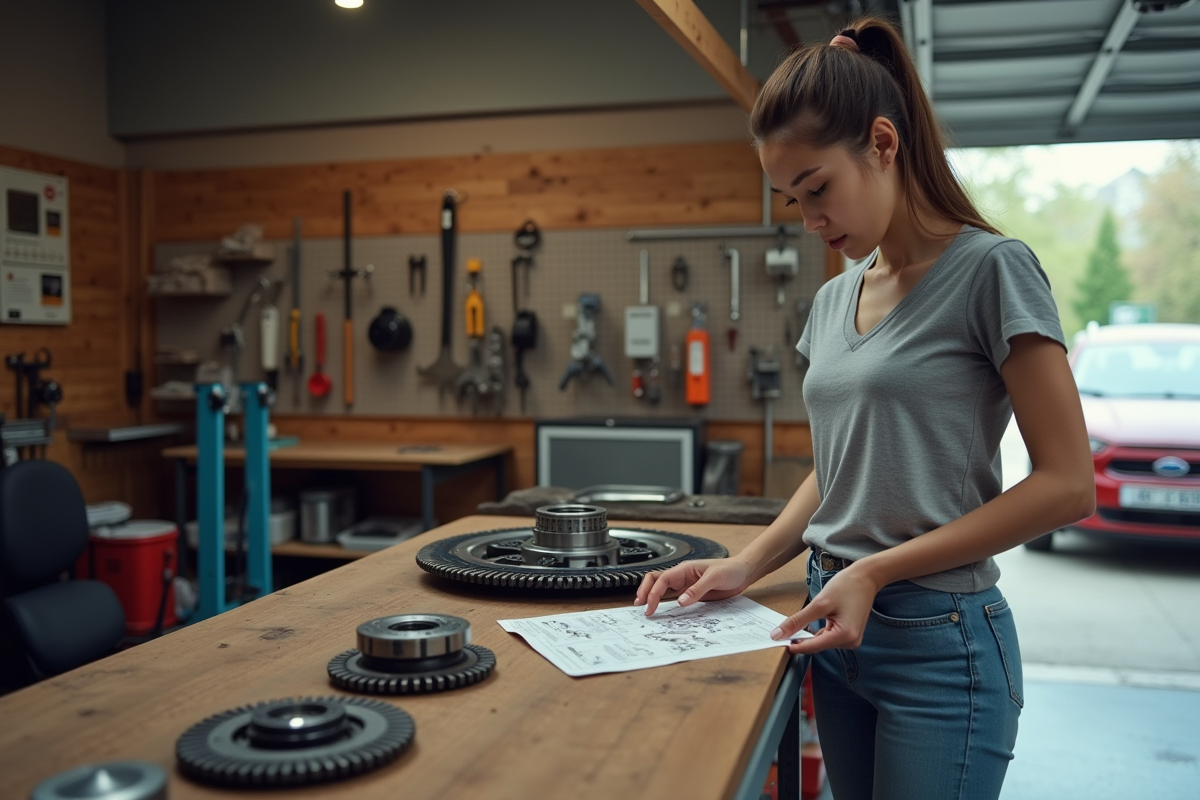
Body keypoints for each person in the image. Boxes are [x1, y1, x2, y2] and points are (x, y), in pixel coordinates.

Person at [635, 15, 1095, 800]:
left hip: (938, 642)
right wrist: (746, 565)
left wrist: (876, 571)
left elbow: (1068, 485)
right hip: (831, 624)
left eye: (818, 189)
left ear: (883, 144)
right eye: (791, 200)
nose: (811, 220)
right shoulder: (832, 299)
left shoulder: (994, 271)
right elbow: (837, 467)